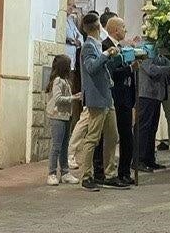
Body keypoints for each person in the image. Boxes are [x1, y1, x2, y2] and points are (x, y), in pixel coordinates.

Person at [79, 12, 129, 191]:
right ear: (98, 27)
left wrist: (115, 59)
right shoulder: (88, 46)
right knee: (92, 138)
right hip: (96, 98)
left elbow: (104, 67)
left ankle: (110, 173)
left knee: (113, 136)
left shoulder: (97, 44)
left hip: (107, 97)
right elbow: (92, 68)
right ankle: (86, 176)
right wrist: (107, 53)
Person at [101, 17, 136, 185]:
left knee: (127, 135)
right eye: (123, 27)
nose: (125, 30)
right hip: (115, 96)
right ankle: (107, 171)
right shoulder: (106, 46)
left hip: (126, 97)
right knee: (111, 136)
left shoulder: (122, 47)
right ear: (115, 30)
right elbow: (112, 72)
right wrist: (130, 68)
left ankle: (124, 171)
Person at [133, 51, 170, 172]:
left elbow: (168, 64)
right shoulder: (144, 52)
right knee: (143, 128)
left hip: (156, 95)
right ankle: (138, 160)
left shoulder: (158, 54)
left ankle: (149, 159)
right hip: (146, 94)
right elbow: (152, 70)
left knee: (152, 129)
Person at [45, 54, 81, 186]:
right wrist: (73, 98)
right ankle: (52, 173)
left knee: (65, 145)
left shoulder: (66, 81)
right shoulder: (57, 81)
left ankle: (65, 172)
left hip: (66, 115)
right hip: (57, 116)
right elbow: (58, 98)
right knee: (57, 146)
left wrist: (73, 96)